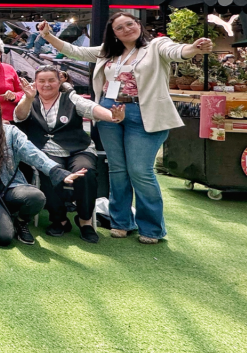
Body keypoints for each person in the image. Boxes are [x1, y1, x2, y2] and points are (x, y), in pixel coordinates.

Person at [36, 14, 213, 244]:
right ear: (114, 33)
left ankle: (151, 228)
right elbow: (75, 51)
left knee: (140, 171)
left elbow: (177, 51)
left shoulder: (156, 46)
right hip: (109, 112)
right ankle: (121, 222)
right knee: (117, 169)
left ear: (139, 25)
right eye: (119, 27)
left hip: (144, 113)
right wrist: (48, 35)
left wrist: (194, 48)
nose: (126, 29)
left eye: (130, 24)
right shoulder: (108, 51)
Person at [0, 94, 84, 247]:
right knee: (5, 237)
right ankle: (3, 217)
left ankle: (21, 221)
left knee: (36, 197)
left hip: (10, 187)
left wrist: (56, 171)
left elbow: (31, 152)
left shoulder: (11, 131)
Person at [13, 65, 126, 243]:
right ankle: (59, 219)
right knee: (50, 171)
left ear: (60, 81)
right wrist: (28, 98)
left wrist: (112, 116)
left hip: (78, 148)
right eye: (42, 81)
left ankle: (85, 220)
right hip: (47, 150)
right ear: (36, 83)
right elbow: (19, 116)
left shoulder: (71, 98)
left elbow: (92, 108)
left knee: (86, 172)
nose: (46, 84)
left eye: (51, 80)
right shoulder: (29, 98)